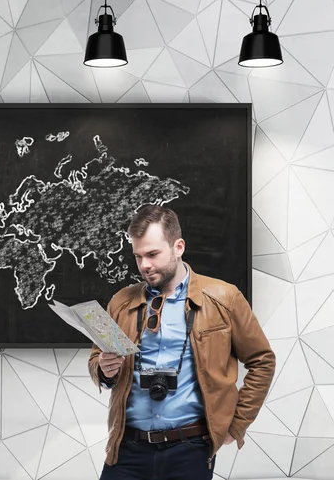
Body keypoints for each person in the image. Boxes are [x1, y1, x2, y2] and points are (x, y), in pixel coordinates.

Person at [88, 204, 275, 480]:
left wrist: (236, 426)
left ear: (178, 247)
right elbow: (96, 361)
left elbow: (262, 361)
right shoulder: (120, 301)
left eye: (152, 254)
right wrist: (104, 369)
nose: (144, 265)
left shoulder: (225, 298)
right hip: (126, 449)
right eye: (138, 256)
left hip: (190, 450)